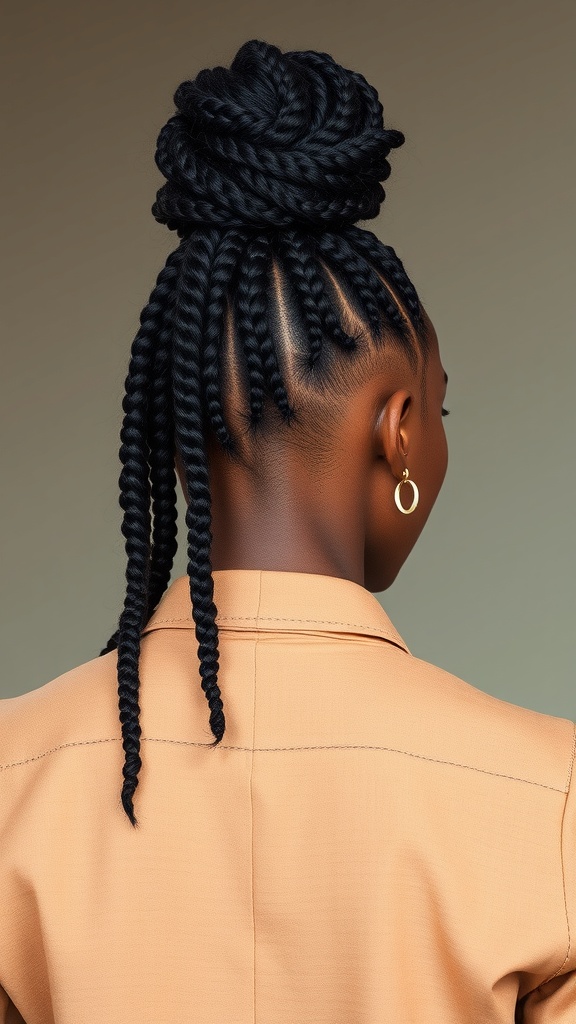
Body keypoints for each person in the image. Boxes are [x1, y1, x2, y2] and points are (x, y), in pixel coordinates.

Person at [0, 37, 574, 1024]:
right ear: (398, 434)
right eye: (442, 411)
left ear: (174, 430)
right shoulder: (550, 798)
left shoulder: (13, 779)